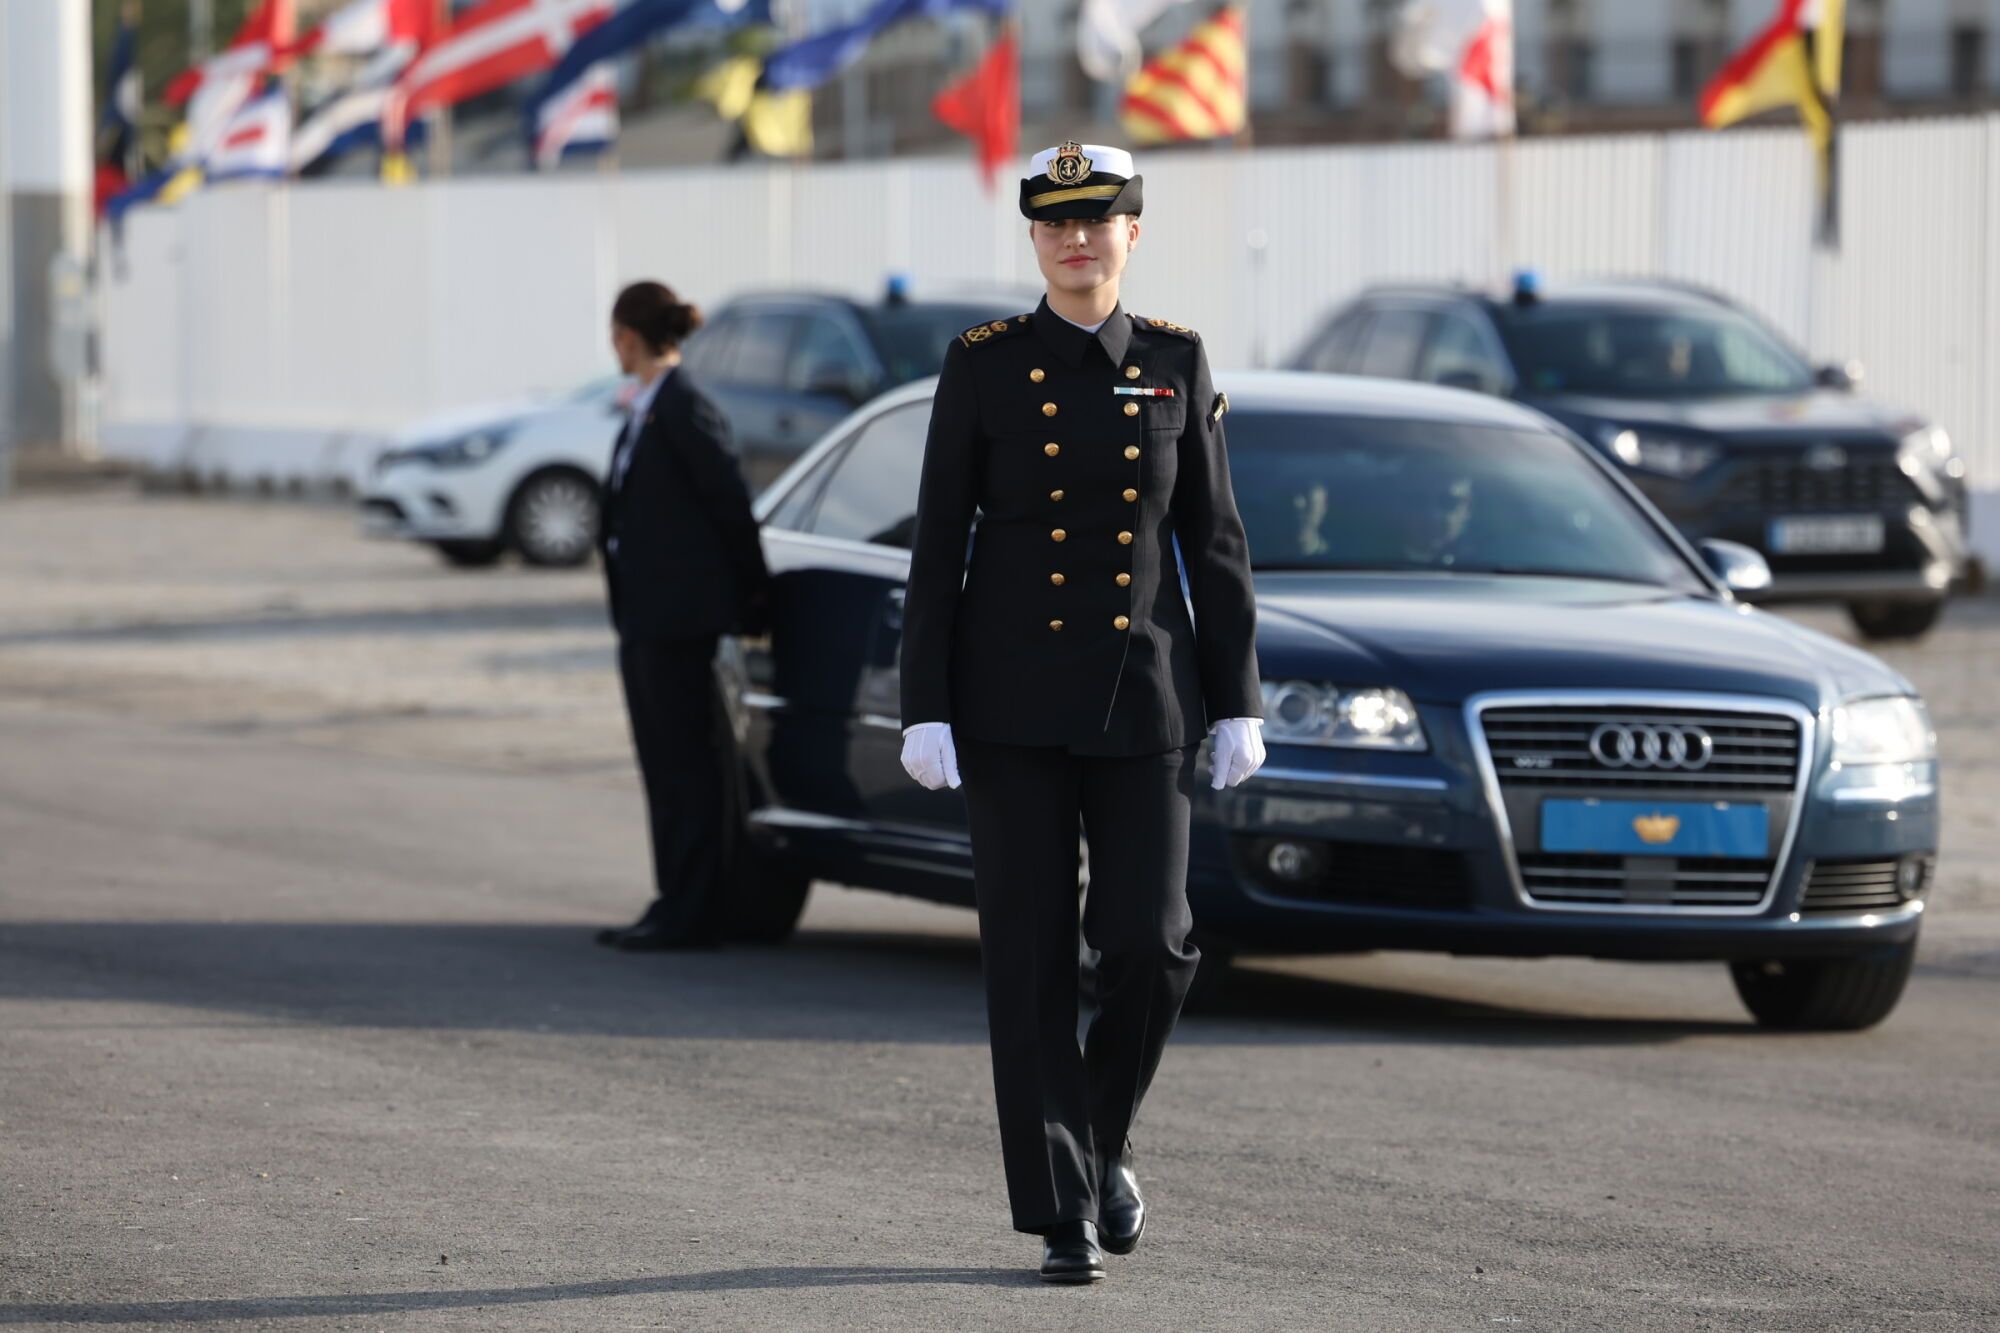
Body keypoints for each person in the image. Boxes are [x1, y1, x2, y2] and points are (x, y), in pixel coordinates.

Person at [897, 143, 1266, 1283]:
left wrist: (1236, 698)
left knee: (1152, 947)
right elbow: (936, 545)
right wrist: (924, 706)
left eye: (1096, 222)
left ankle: (1097, 1144)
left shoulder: (1175, 361)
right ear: (1033, 241)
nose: (1075, 240)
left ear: (1131, 235)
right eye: (1054, 225)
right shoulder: (981, 365)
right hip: (1005, 708)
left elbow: (1211, 544)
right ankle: (1060, 1209)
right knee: (1029, 962)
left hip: (1143, 702)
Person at [594, 281, 770, 952]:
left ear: (629, 337)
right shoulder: (650, 408)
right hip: (646, 619)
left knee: (686, 769)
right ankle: (674, 898)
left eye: (613, 335)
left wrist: (751, 596)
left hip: (678, 623)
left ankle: (692, 909)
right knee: (663, 765)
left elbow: (730, 502)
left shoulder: (685, 406)